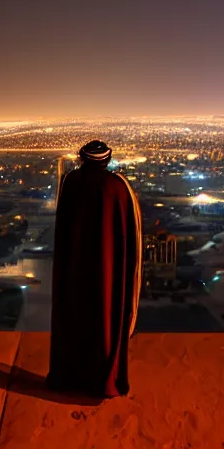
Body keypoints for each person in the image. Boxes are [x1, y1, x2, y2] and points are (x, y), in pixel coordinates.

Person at [46, 140, 143, 398]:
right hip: (107, 268)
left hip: (74, 266)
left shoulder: (70, 182)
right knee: (104, 316)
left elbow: (63, 227)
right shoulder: (118, 186)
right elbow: (129, 236)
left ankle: (69, 377)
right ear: (107, 160)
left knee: (74, 315)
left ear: (82, 158)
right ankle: (103, 380)